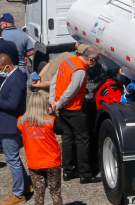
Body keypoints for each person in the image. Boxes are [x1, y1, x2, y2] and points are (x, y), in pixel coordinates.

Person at [0, 54, 29, 205]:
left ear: (7, 66)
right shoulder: (16, 75)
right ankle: (25, 184)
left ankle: (18, 193)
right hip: (9, 124)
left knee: (12, 159)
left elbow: (13, 104)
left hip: (9, 125)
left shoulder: (16, 79)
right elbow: (9, 96)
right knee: (14, 157)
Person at [50, 46, 100, 183]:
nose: (94, 63)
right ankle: (85, 173)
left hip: (63, 109)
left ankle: (68, 170)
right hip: (74, 108)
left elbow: (55, 80)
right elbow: (71, 92)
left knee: (67, 138)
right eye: (95, 61)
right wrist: (58, 103)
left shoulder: (67, 62)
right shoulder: (80, 71)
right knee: (82, 139)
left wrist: (53, 100)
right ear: (90, 59)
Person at [18, 92, 63, 205]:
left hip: (34, 162)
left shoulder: (21, 121)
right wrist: (53, 112)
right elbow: (61, 129)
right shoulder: (50, 120)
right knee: (55, 193)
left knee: (38, 194)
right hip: (51, 161)